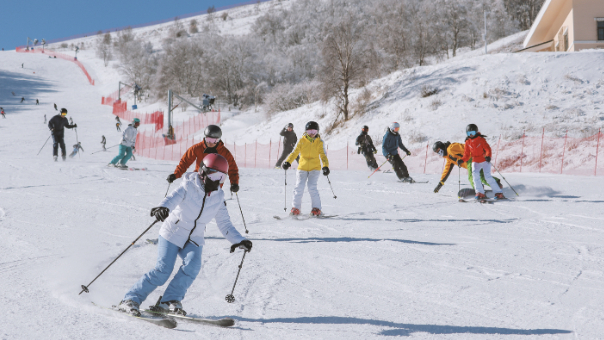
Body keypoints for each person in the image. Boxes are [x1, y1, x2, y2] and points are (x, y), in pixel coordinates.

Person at [117, 154, 252, 317]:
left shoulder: (218, 196)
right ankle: (130, 299)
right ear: (203, 172)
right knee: (163, 270)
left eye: (222, 177)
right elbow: (171, 199)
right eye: (214, 175)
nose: (217, 181)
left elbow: (225, 224)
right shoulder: (188, 186)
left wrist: (239, 240)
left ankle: (168, 301)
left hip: (194, 238)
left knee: (192, 267)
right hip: (173, 233)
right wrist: (163, 208)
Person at [167, 125, 240, 194]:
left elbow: (232, 169)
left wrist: (234, 183)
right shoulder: (197, 148)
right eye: (208, 139)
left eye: (213, 140)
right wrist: (175, 174)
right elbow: (185, 162)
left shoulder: (224, 152)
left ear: (218, 140)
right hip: (197, 182)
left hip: (214, 186)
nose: (210, 143)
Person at [282, 121, 330, 217]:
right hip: (302, 167)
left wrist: (325, 166)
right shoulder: (301, 141)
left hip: (315, 168)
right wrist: (288, 162)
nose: (312, 134)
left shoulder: (320, 142)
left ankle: (316, 208)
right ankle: (295, 208)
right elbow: (294, 152)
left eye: (314, 131)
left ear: (317, 132)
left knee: (312, 187)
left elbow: (323, 156)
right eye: (309, 131)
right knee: (299, 187)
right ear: (306, 132)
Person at [432, 141, 502, 194]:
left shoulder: (451, 148)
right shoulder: (448, 158)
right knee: (482, 177)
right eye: (437, 152)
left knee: (471, 176)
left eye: (438, 150)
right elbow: (446, 170)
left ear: (442, 146)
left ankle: (479, 191)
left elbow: (466, 147)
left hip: (472, 158)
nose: (439, 152)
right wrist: (440, 183)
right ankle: (496, 184)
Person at [458, 124, 505, 200]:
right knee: (475, 176)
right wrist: (462, 160)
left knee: (487, 176)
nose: (471, 135)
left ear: (476, 132)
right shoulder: (467, 142)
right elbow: (466, 154)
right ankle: (480, 193)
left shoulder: (481, 139)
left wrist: (488, 156)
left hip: (484, 159)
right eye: (468, 133)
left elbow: (487, 149)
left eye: (472, 132)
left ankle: (499, 193)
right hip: (475, 160)